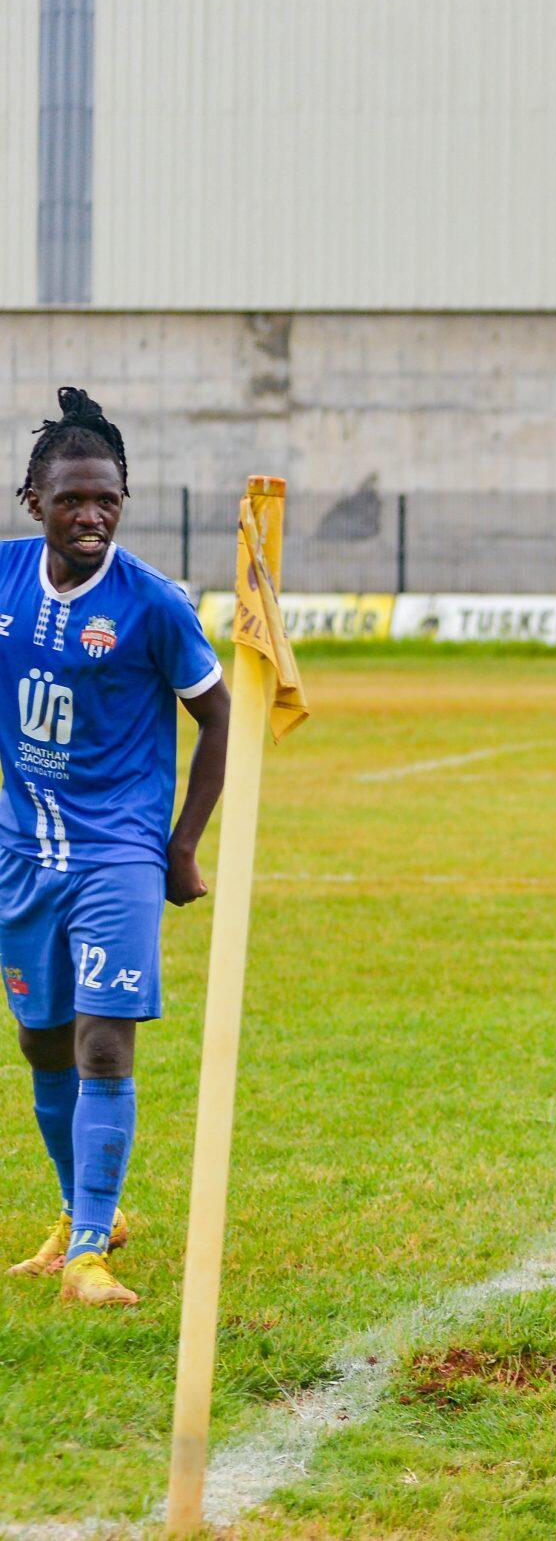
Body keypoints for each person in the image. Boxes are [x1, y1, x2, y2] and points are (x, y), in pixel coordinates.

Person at [2, 387, 229, 1308]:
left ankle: (90, 1252)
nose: (92, 515)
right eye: (72, 500)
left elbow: (218, 716)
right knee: (41, 1040)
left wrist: (181, 844)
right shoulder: (4, 580)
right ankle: (81, 1212)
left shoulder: (154, 604)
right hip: (23, 852)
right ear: (35, 502)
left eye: (107, 499)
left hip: (118, 853)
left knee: (102, 1042)